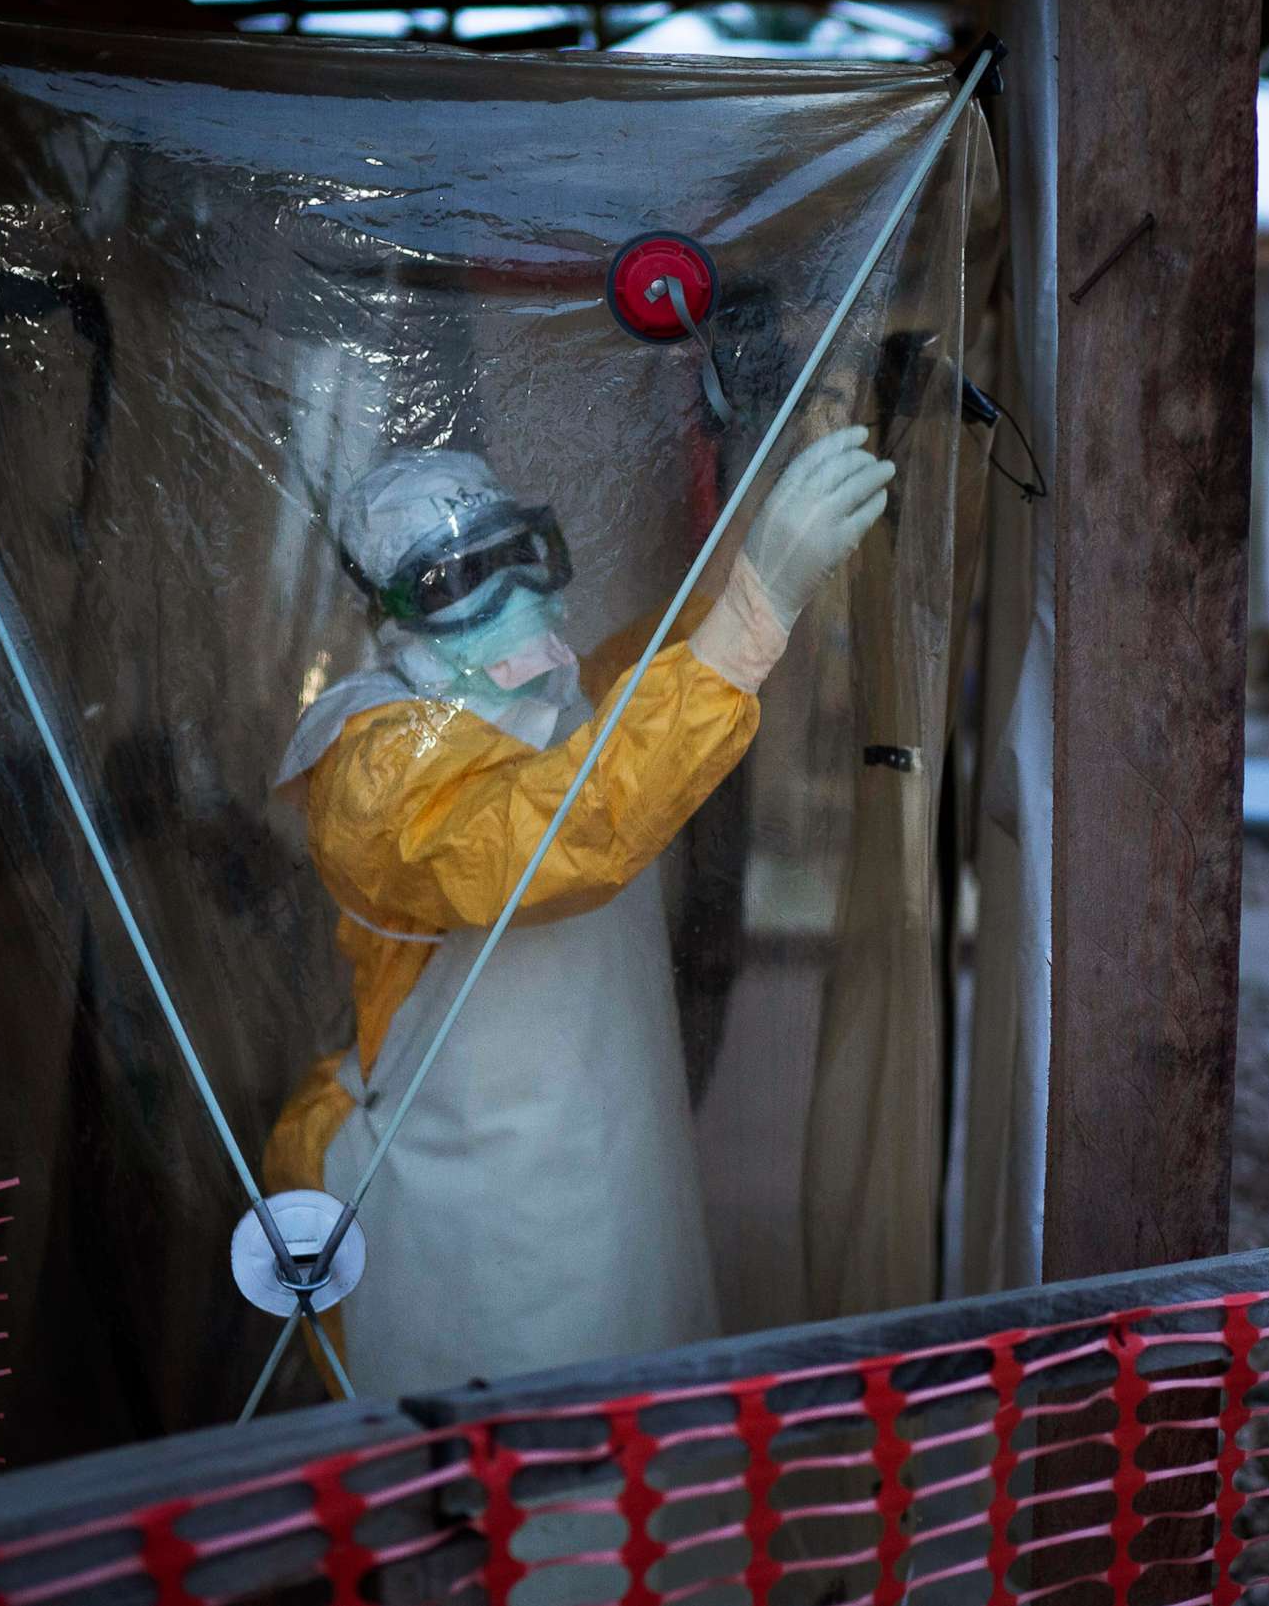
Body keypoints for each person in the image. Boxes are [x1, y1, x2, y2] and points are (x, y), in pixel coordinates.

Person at [263, 426, 893, 1399]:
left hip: (610, 1146)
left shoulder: (552, 695)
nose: (511, 592)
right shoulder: (372, 762)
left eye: (522, 552)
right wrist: (752, 614)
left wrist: (748, 551)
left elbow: (644, 687)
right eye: (459, 574)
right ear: (390, 605)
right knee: (511, 1461)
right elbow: (550, 831)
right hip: (480, 1191)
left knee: (639, 1411)